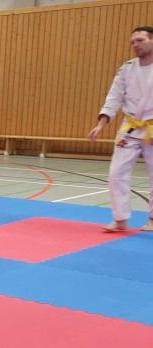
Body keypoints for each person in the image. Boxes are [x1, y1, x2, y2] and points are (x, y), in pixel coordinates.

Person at [87, 26, 153, 233]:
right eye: (133, 41)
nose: (135, 44)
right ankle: (120, 219)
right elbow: (114, 96)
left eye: (140, 40)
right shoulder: (127, 68)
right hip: (130, 127)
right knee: (116, 174)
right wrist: (102, 122)